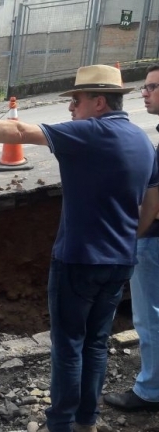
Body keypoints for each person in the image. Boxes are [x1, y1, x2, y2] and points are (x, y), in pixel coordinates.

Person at [0, 65, 159, 432]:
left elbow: (18, 131)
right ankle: (86, 423)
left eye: (76, 101)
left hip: (79, 259)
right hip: (120, 259)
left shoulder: (92, 132)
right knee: (96, 343)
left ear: (98, 102)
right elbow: (151, 205)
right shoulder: (142, 141)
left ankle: (59, 428)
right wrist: (126, 239)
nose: (71, 110)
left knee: (68, 345)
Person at [103, 64, 159, 413]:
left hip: (153, 240)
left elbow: (152, 205)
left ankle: (151, 390)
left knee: (149, 317)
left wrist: (133, 236)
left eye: (152, 87)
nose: (145, 92)